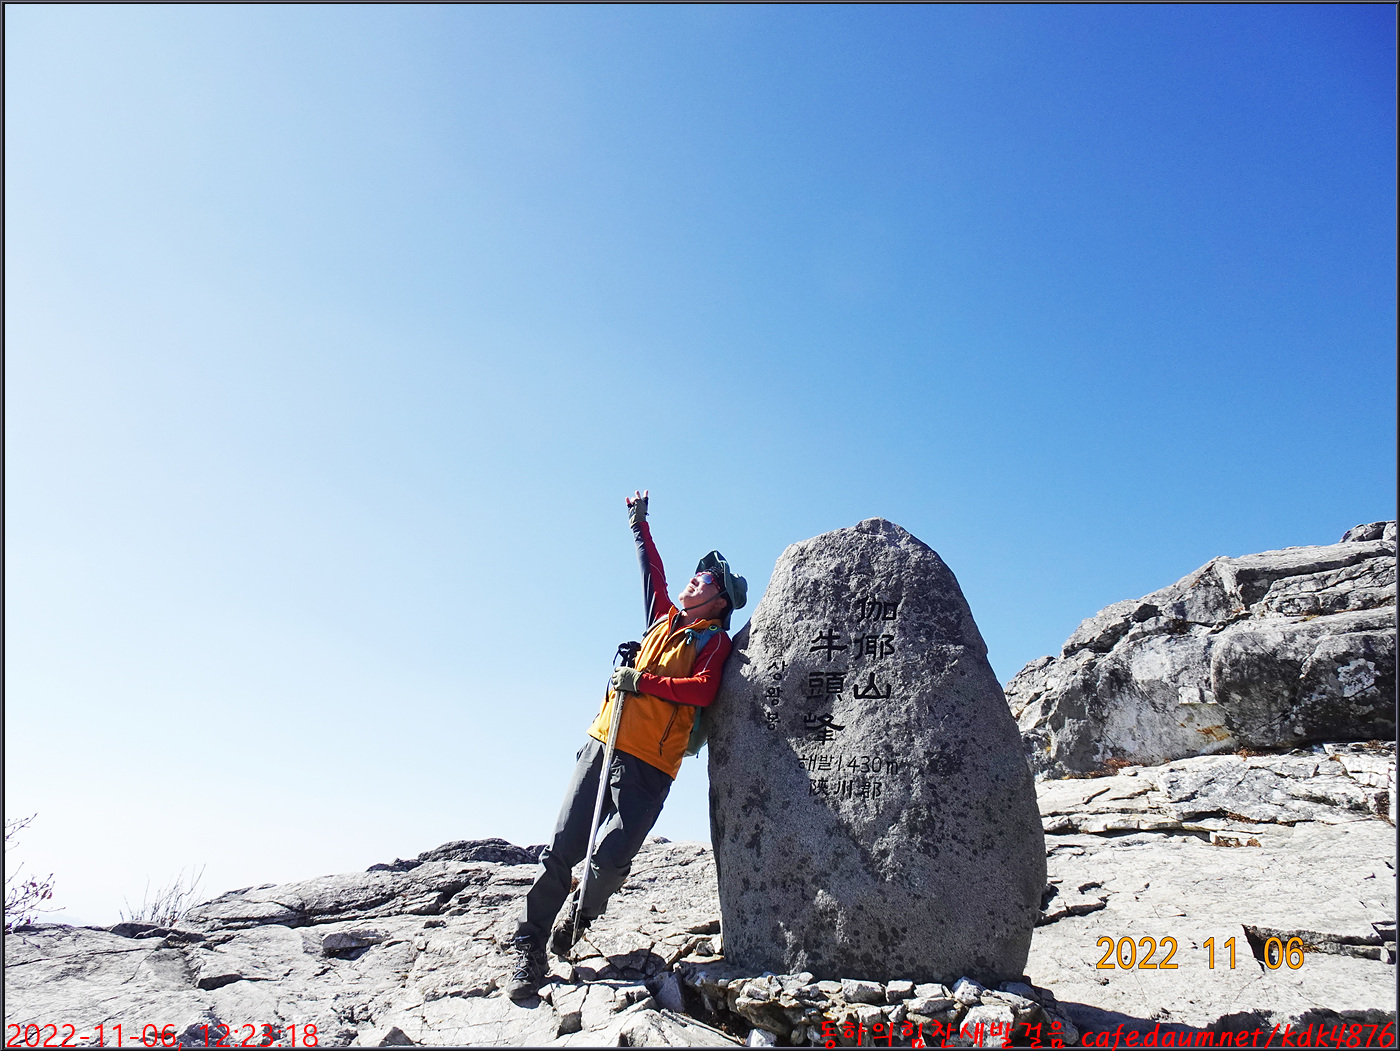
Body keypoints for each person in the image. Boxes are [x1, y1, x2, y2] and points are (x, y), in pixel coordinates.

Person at [503, 489, 747, 1000]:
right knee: (562, 848)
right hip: (603, 743)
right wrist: (640, 524)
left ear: (719, 600)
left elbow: (703, 689)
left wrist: (642, 681)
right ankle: (529, 945)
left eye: (704, 578)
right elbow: (651, 570)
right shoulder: (662, 617)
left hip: (652, 765)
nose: (693, 579)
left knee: (611, 859)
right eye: (695, 573)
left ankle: (580, 916)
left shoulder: (714, 642)